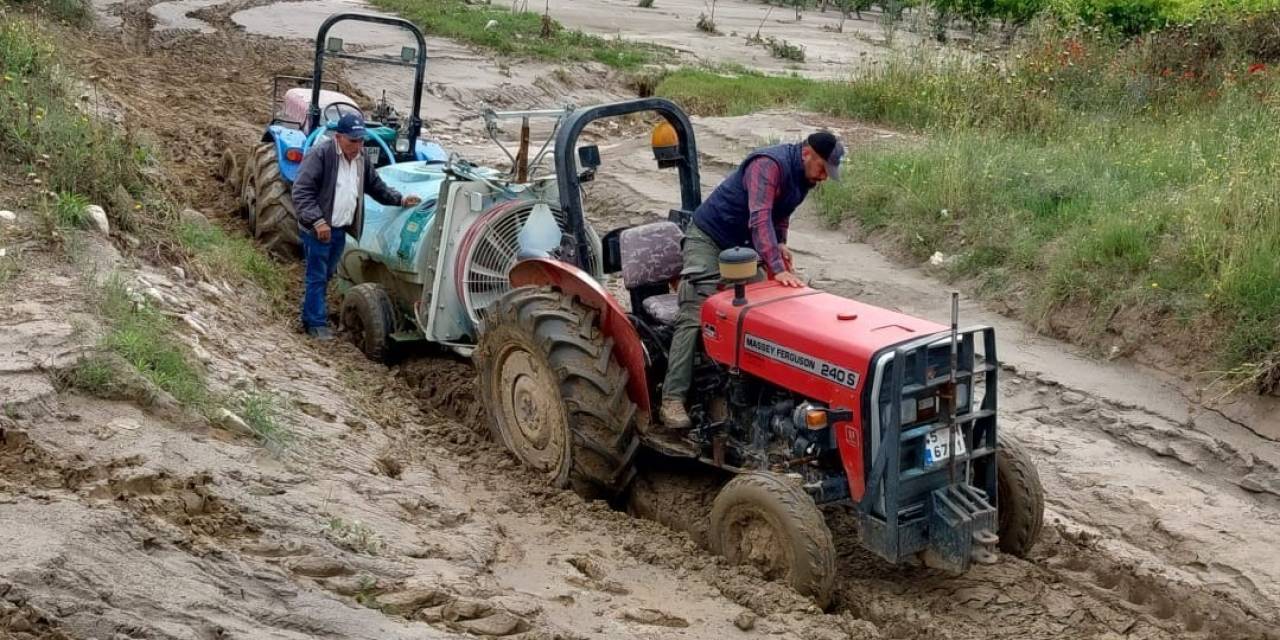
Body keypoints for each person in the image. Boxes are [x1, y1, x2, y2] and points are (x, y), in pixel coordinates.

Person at [659, 131, 844, 429]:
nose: (823, 177)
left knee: (766, 307)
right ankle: (672, 397)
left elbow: (780, 213)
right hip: (709, 239)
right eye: (823, 168)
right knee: (697, 307)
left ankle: (758, 390)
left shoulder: (804, 178)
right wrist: (776, 267)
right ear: (807, 153)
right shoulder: (767, 165)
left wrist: (780, 244)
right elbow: (759, 217)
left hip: (742, 247)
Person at [292, 113, 421, 340]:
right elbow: (301, 191)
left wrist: (400, 199)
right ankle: (315, 324)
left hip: (339, 230)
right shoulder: (320, 155)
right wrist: (318, 221)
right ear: (338, 137)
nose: (358, 145)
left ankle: (310, 312)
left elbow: (375, 186)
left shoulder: (361, 159)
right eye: (352, 140)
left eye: (361, 140)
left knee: (326, 275)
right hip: (318, 230)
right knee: (317, 276)